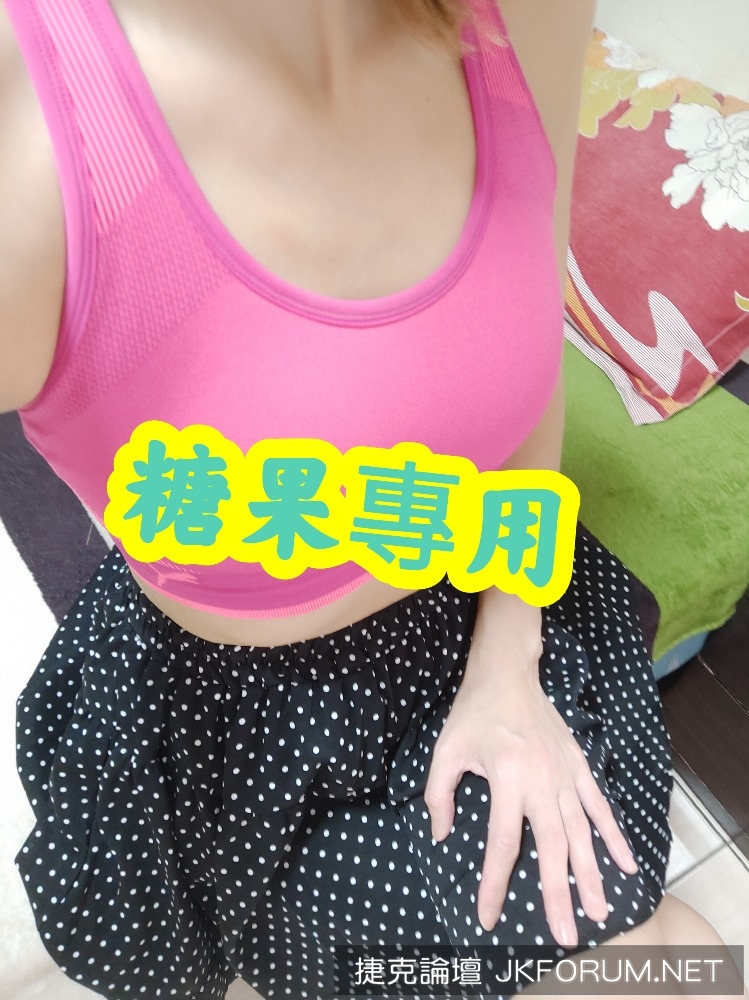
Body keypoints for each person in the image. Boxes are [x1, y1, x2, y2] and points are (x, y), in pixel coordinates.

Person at [0, 1, 744, 998]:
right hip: (225, 723)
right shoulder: (34, 119)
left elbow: (526, 353)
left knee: (668, 955)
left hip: (485, 595)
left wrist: (509, 657)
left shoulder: (520, 16)